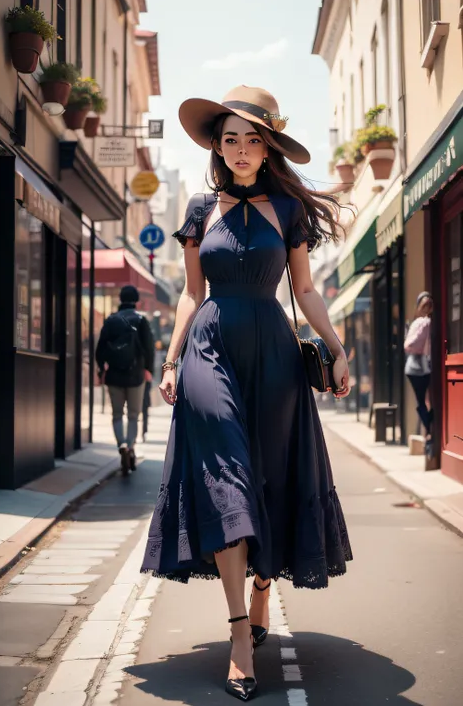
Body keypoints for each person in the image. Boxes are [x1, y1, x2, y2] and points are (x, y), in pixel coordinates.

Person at [140, 86, 352, 701]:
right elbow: (189, 293)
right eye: (228, 138)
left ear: (268, 148)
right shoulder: (199, 210)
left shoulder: (289, 212)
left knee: (267, 476)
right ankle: (239, 632)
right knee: (228, 476)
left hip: (277, 356)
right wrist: (173, 358)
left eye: (251, 139)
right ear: (216, 145)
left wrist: (336, 347)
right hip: (210, 347)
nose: (238, 149)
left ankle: (263, 587)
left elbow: (306, 291)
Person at [96, 285, 154, 475]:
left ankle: (121, 442)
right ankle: (130, 446)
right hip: (136, 375)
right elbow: (149, 348)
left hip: (114, 375)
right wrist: (148, 370)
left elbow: (100, 349)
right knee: (133, 415)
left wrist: (101, 368)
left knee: (117, 414)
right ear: (136, 300)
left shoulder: (111, 320)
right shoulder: (141, 320)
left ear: (120, 299)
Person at [404, 291, 433, 448]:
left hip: (416, 367)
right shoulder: (424, 323)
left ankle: (429, 427)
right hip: (419, 367)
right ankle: (429, 427)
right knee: (423, 400)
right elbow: (409, 344)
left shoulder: (418, 322)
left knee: (423, 400)